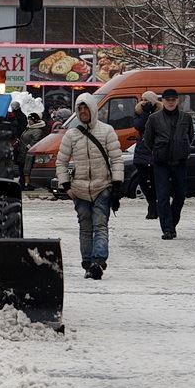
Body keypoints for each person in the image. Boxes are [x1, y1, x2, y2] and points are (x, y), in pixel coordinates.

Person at [55, 93, 123, 280]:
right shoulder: (71, 134)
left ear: (93, 109)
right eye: (80, 109)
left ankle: (98, 261)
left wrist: (116, 185)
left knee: (100, 225)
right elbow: (61, 162)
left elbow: (116, 159)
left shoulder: (107, 131)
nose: (83, 111)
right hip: (79, 190)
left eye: (86, 108)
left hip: (103, 186)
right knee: (85, 228)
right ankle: (87, 262)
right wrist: (66, 185)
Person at [144, 88, 194, 240]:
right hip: (161, 162)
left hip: (180, 161)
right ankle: (167, 228)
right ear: (163, 101)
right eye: (167, 100)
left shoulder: (186, 118)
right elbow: (148, 139)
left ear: (177, 101)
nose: (170, 102)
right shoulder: (154, 119)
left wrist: (182, 148)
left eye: (173, 100)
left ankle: (172, 221)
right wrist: (158, 150)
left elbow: (190, 136)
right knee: (163, 196)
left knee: (180, 196)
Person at [132, 91, 160, 220]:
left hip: (155, 152)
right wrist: (145, 113)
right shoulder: (139, 111)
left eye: (147, 100)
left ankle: (154, 207)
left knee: (155, 181)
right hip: (142, 152)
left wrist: (151, 113)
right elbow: (139, 126)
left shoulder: (160, 112)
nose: (144, 102)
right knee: (142, 181)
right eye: (143, 99)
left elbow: (157, 128)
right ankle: (151, 203)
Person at [20, 112, 46, 190]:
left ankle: (28, 184)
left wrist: (29, 146)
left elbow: (36, 142)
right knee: (23, 170)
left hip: (29, 154)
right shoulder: (29, 128)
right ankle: (23, 183)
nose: (29, 121)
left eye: (30, 119)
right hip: (23, 153)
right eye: (28, 119)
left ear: (35, 120)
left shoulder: (37, 131)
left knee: (28, 170)